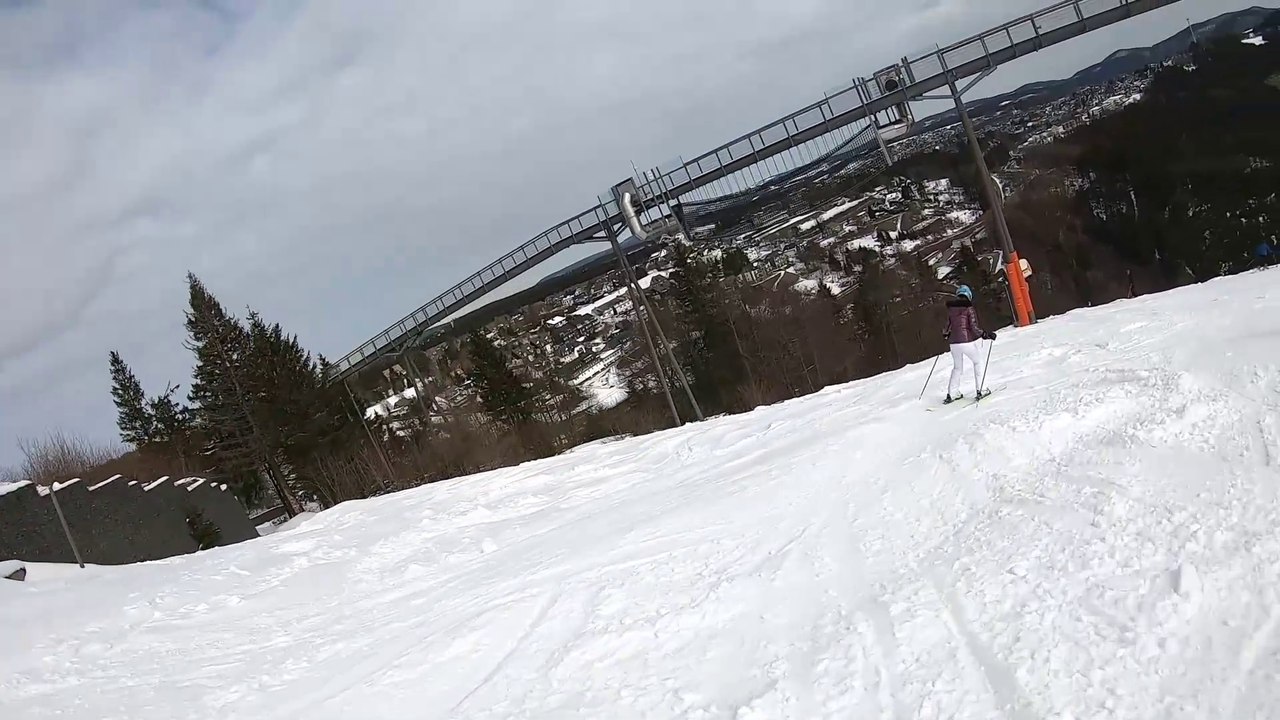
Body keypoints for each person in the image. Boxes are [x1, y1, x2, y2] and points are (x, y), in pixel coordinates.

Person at [943, 285, 996, 404]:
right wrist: (985, 335)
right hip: (966, 341)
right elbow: (974, 327)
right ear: (968, 295)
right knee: (977, 362)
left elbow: (947, 326)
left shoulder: (951, 309)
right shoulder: (969, 308)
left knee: (957, 367)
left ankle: (952, 393)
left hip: (953, 344)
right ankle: (981, 389)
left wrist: (946, 334)